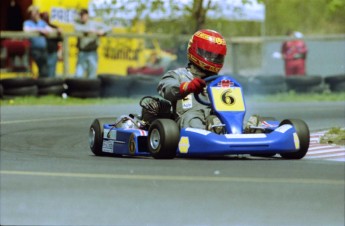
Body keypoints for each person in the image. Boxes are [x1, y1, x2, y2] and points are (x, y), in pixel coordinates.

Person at [157, 29, 227, 132]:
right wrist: (187, 87)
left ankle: (247, 133)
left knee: (253, 121)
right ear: (194, 50)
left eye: (217, 57)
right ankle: (207, 138)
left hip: (214, 118)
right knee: (193, 119)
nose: (213, 59)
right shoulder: (178, 75)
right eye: (209, 55)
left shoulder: (220, 81)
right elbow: (166, 88)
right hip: (186, 120)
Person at [74, 9, 111, 78]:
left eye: (84, 15)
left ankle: (90, 88)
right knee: (78, 74)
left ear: (87, 15)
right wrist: (90, 31)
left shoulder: (94, 24)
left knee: (92, 74)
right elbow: (78, 29)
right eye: (81, 15)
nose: (82, 17)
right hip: (82, 52)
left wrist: (102, 31)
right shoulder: (78, 24)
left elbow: (109, 28)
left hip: (92, 52)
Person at [23, 5, 55, 77]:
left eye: (37, 13)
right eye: (34, 13)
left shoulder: (41, 22)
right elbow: (26, 30)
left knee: (45, 68)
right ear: (30, 14)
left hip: (44, 49)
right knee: (42, 67)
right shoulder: (27, 23)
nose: (36, 15)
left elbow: (50, 29)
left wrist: (57, 30)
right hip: (35, 49)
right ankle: (42, 83)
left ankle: (42, 83)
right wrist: (39, 29)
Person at [40, 12, 62, 77]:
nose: (45, 19)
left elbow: (60, 42)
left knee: (51, 73)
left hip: (52, 52)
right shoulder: (39, 27)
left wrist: (60, 53)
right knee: (43, 72)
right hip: (41, 53)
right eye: (44, 18)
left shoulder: (54, 27)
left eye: (46, 17)